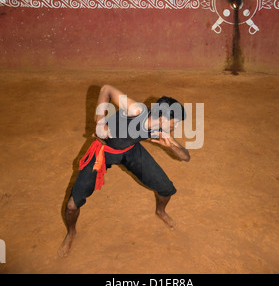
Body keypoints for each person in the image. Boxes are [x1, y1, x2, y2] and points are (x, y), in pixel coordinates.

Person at [58, 84, 190, 257]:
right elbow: (106, 89)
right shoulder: (137, 111)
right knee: (71, 206)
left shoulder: (161, 130)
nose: (176, 126)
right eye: (176, 123)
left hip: (130, 151)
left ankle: (160, 211)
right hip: (103, 151)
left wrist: (172, 148)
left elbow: (185, 157)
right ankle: (71, 232)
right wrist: (99, 122)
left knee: (166, 189)